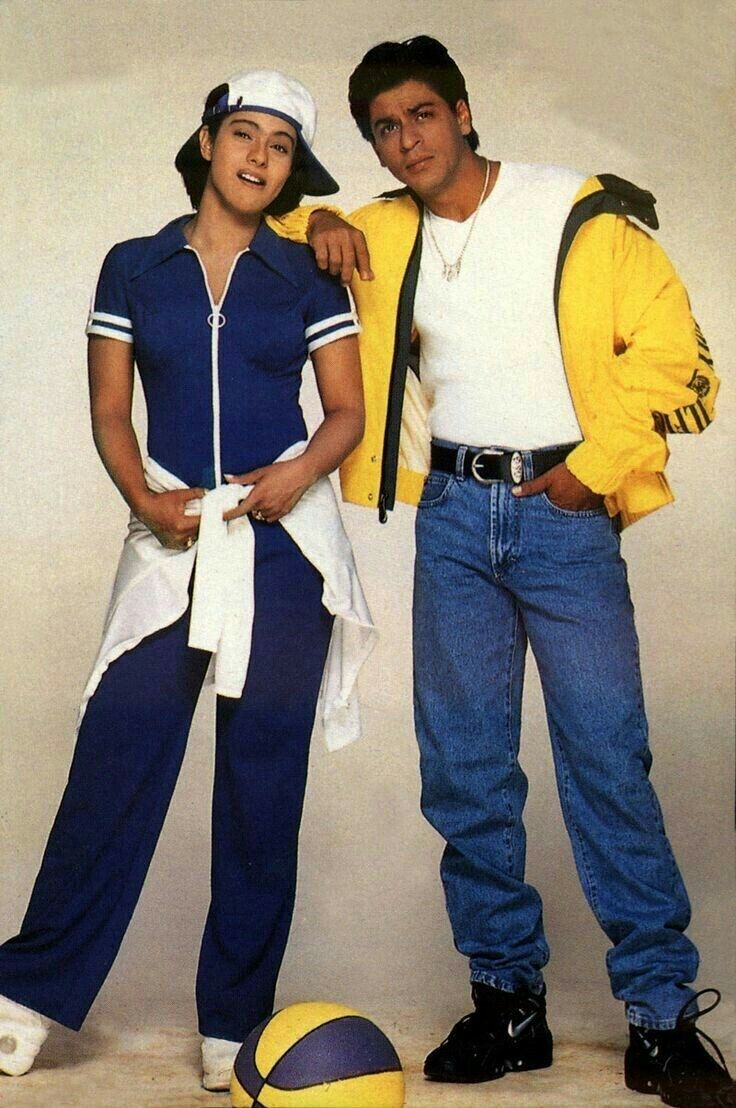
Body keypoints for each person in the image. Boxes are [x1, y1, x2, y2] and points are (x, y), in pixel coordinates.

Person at [274, 34, 733, 1108]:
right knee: (467, 768)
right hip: (449, 517)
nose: (405, 139)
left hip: (563, 514)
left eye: (421, 114)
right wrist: (323, 214)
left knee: (606, 762)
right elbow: (261, 200)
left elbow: (682, 360)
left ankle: (661, 1021)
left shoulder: (578, 211)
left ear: (464, 112)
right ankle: (506, 1003)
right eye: (382, 128)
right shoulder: (379, 230)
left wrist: (594, 468)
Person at [0, 69, 374, 1093]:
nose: (258, 156)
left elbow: (342, 412)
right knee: (117, 756)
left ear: (292, 170)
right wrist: (147, 501)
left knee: (262, 783)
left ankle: (234, 1021)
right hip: (173, 533)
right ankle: (25, 998)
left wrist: (289, 478)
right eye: (242, 135)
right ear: (206, 143)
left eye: (280, 147)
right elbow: (113, 413)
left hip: (287, 546)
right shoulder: (134, 267)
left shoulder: (307, 277)